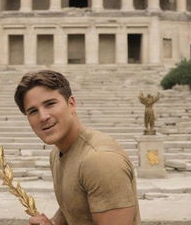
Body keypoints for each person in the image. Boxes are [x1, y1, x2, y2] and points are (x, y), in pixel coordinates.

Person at [14, 70, 141, 225]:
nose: (43, 117)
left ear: (71, 104)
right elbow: (76, 204)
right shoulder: (57, 153)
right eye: (33, 111)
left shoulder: (100, 160)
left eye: (50, 104)